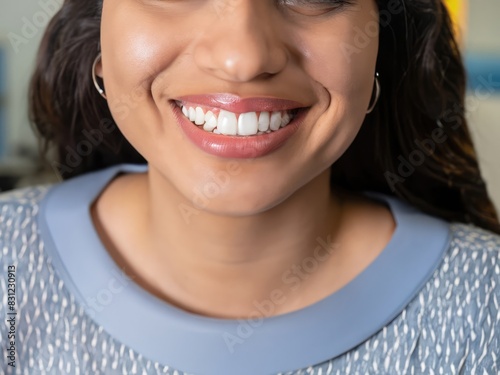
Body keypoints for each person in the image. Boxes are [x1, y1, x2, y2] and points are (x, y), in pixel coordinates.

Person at [1, 0, 499, 374]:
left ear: (379, 46)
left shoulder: (485, 302)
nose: (242, 57)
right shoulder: (9, 265)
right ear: (101, 37)